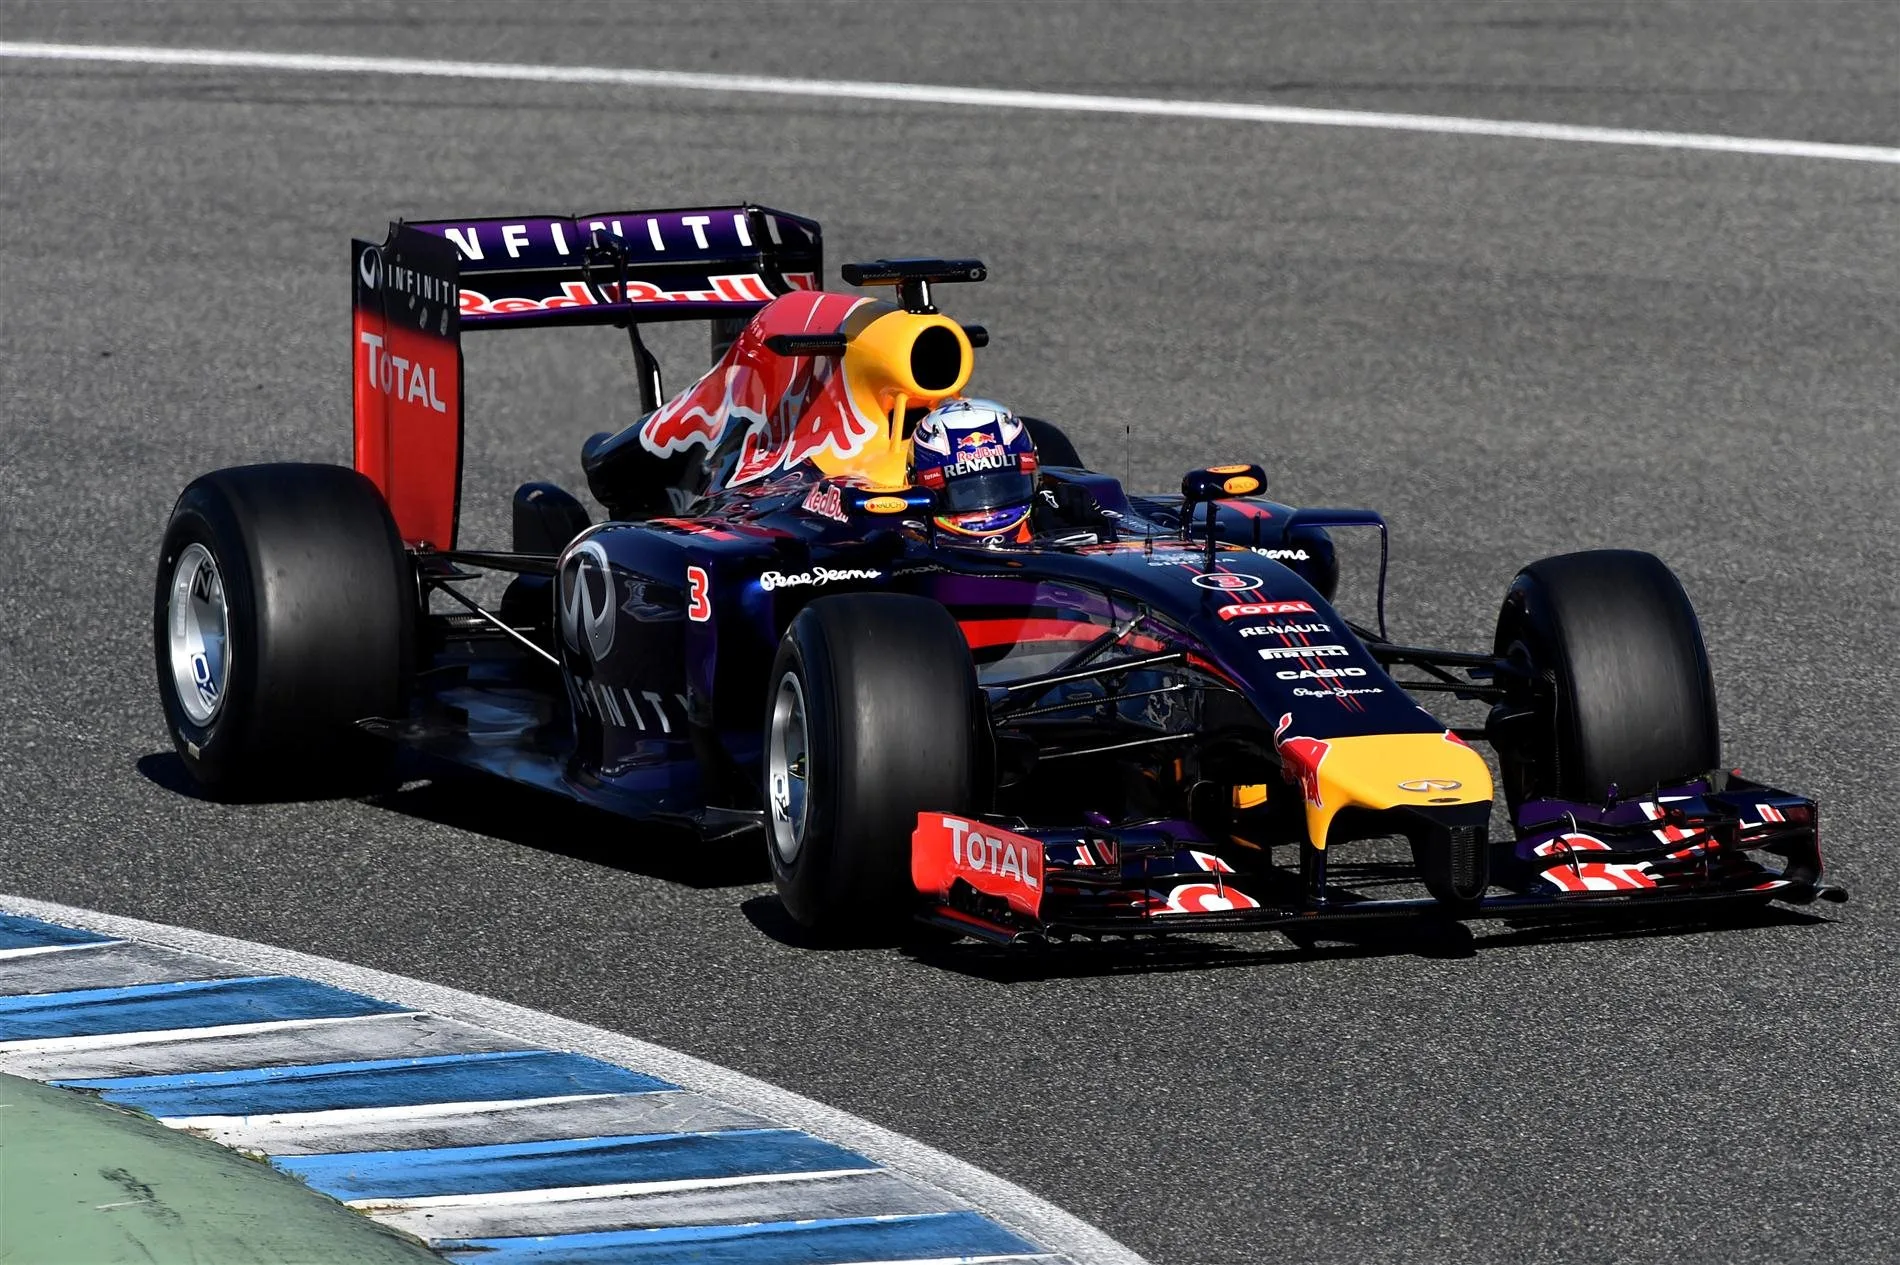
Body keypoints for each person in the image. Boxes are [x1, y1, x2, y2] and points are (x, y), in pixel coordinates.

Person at [910, 398, 1115, 544]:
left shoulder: (1058, 513)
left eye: (1003, 486)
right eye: (965, 492)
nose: (990, 507)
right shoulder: (904, 539)